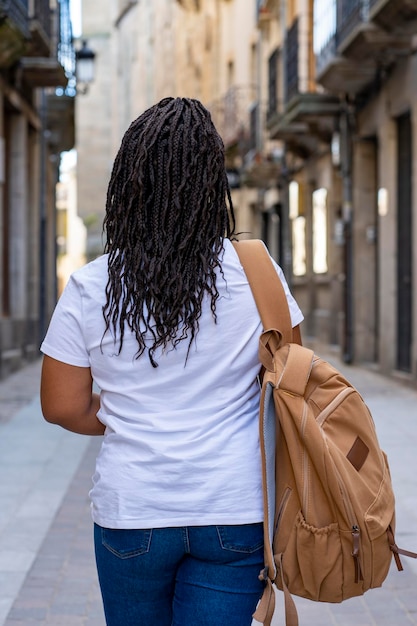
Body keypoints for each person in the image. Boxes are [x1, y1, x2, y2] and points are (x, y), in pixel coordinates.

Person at [40, 97, 304, 626]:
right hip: (234, 509)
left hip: (132, 509)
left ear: (129, 181)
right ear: (212, 183)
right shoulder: (257, 273)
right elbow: (291, 380)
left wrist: (129, 416)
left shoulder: (93, 285)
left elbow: (62, 407)